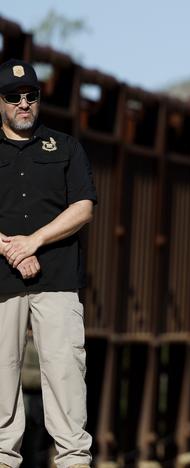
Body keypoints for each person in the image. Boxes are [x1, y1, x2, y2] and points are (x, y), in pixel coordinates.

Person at [0, 58, 96, 468]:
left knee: (65, 376)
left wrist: (33, 242)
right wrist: (9, 249)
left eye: (31, 96)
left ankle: (74, 460)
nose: (24, 104)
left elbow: (84, 206)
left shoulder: (67, 147)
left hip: (57, 281)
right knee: (1, 378)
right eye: (13, 97)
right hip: (1, 284)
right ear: (0, 103)